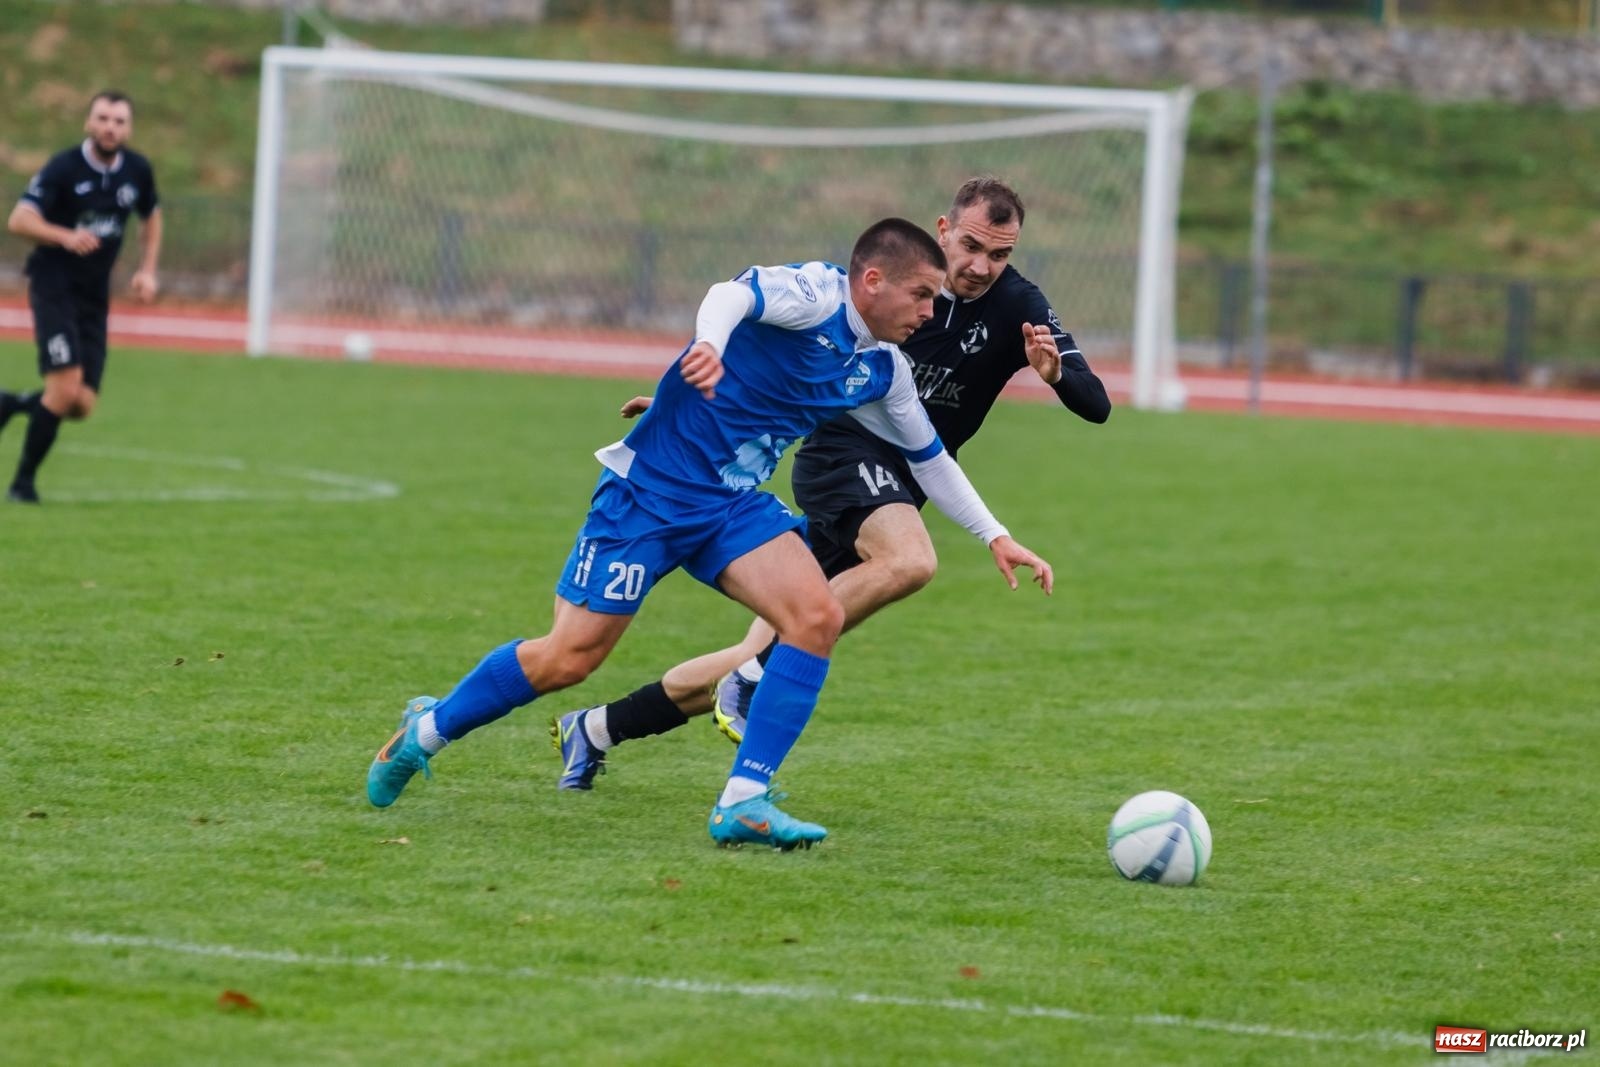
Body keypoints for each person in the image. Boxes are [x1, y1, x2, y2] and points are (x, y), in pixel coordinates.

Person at [365, 217, 1054, 851]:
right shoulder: (814, 294)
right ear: (871, 281)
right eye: (922, 296)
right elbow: (731, 294)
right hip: (650, 494)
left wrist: (995, 534)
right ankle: (425, 732)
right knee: (567, 659)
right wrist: (707, 347)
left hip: (730, 505)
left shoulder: (883, 369)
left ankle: (744, 800)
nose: (931, 313)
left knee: (816, 615)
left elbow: (930, 459)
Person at [550, 177, 1107, 790]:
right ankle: (751, 732)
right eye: (971, 246)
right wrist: (680, 402)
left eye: (999, 254)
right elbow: (792, 356)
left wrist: (1054, 376)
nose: (980, 267)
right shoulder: (897, 283)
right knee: (909, 561)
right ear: (943, 230)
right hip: (844, 455)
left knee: (770, 646)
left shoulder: (1018, 305)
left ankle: (596, 729)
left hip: (910, 479)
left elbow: (1097, 404)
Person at [0, 91, 162, 504]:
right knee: (64, 387)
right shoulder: (64, 167)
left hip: (94, 295)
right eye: (103, 118)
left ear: (130, 128)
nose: (111, 127)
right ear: (89, 123)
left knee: (82, 404)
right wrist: (65, 236)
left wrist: (147, 270)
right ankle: (22, 485)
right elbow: (18, 219)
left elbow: (151, 216)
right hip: (54, 285)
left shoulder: (138, 170)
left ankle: (13, 404)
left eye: (119, 120)